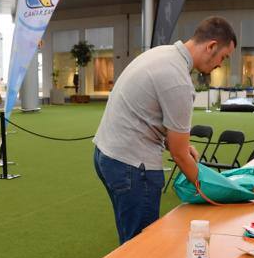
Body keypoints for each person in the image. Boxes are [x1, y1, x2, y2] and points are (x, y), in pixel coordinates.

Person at [93, 16, 236, 243]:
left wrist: (182, 147)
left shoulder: (161, 54)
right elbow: (179, 155)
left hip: (107, 155)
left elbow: (154, 120)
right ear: (211, 46)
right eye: (223, 57)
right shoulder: (178, 79)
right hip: (133, 166)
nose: (221, 64)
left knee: (130, 241)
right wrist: (212, 191)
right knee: (142, 245)